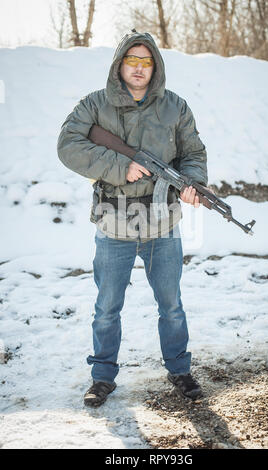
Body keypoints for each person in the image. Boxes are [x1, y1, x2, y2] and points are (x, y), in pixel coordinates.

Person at [57, 30, 208, 407]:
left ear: (155, 66)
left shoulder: (175, 106)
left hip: (163, 226)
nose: (139, 68)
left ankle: (179, 369)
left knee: (171, 305)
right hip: (114, 224)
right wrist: (120, 166)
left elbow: (193, 152)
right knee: (107, 307)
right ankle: (102, 377)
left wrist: (192, 185)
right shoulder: (95, 105)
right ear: (119, 63)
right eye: (132, 60)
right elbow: (68, 145)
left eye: (146, 62)